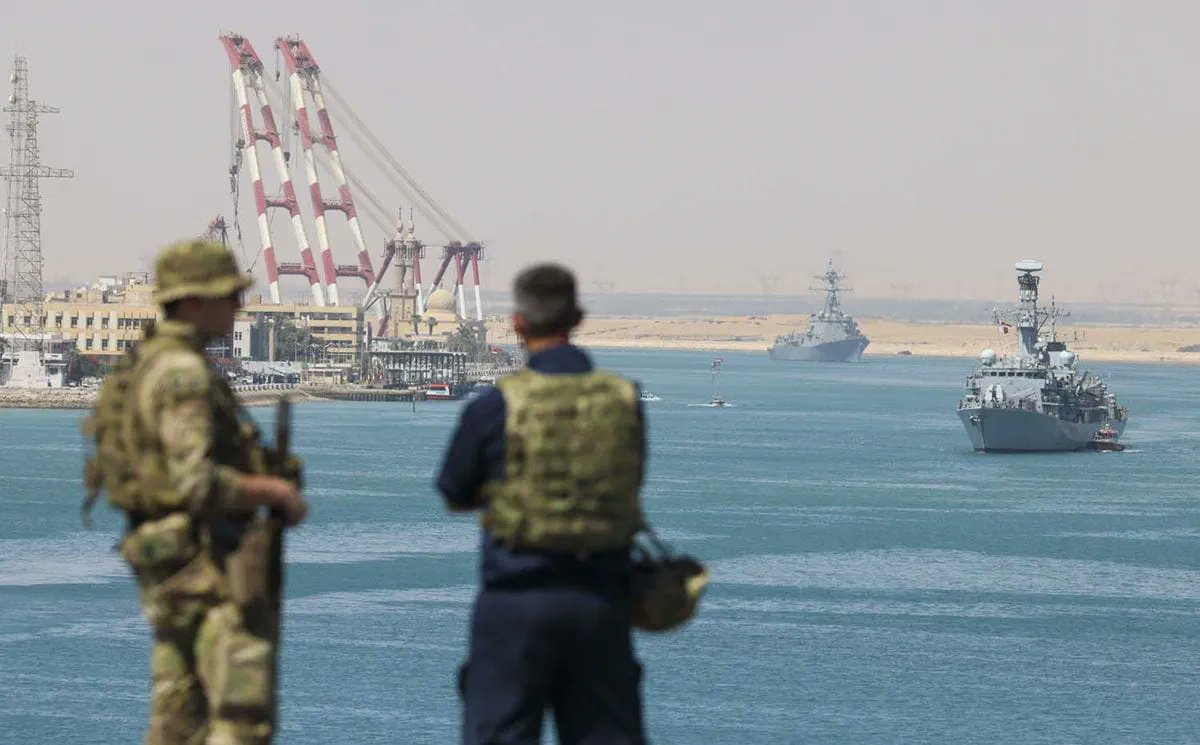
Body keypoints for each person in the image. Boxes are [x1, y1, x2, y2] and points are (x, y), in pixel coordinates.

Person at [84, 240, 308, 745]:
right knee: (241, 714)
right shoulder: (183, 373)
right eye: (227, 295)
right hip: (203, 565)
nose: (237, 307)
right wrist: (274, 491)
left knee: (177, 715)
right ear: (191, 301)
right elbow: (195, 481)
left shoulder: (147, 362)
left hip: (166, 560)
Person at [438, 263, 648, 745]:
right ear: (578, 317)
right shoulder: (623, 400)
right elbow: (628, 484)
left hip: (515, 602)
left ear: (517, 323)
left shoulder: (495, 406)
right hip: (600, 602)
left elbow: (454, 492)